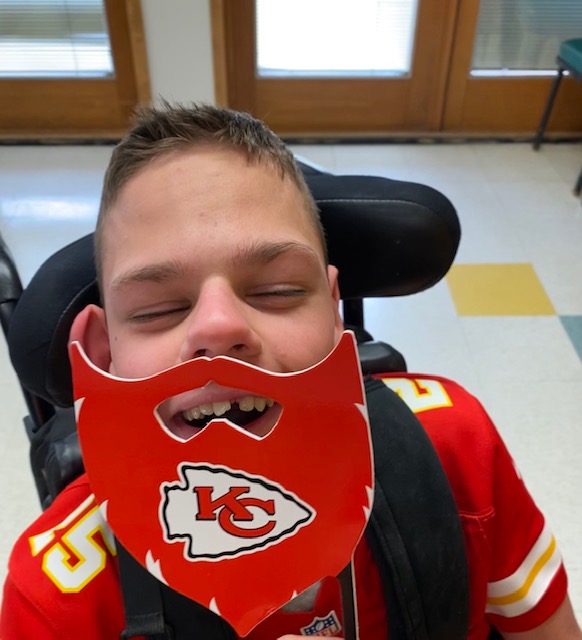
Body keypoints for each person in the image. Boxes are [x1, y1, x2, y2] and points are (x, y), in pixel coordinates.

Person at [1, 102, 581, 640]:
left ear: (334, 312)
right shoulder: (57, 598)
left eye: (277, 291)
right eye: (159, 309)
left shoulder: (454, 450)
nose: (218, 326)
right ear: (103, 352)